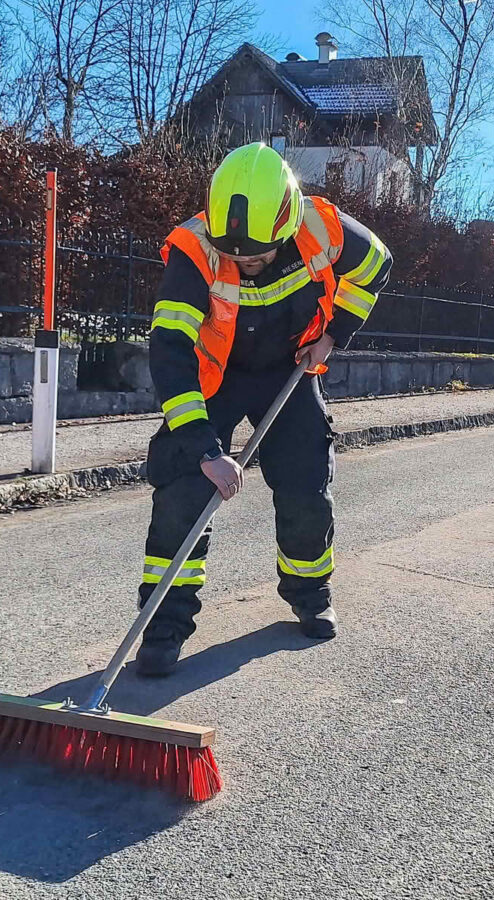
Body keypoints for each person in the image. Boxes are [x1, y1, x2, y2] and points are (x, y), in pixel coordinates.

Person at [136, 142, 392, 676]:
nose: (245, 263)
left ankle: (309, 593)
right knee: (183, 491)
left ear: (287, 219)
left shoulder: (323, 228)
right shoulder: (193, 249)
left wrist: (333, 335)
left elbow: (377, 267)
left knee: (305, 485)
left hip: (289, 370)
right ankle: (163, 624)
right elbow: (170, 352)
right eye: (236, 254)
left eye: (257, 254)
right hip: (215, 377)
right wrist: (205, 450)